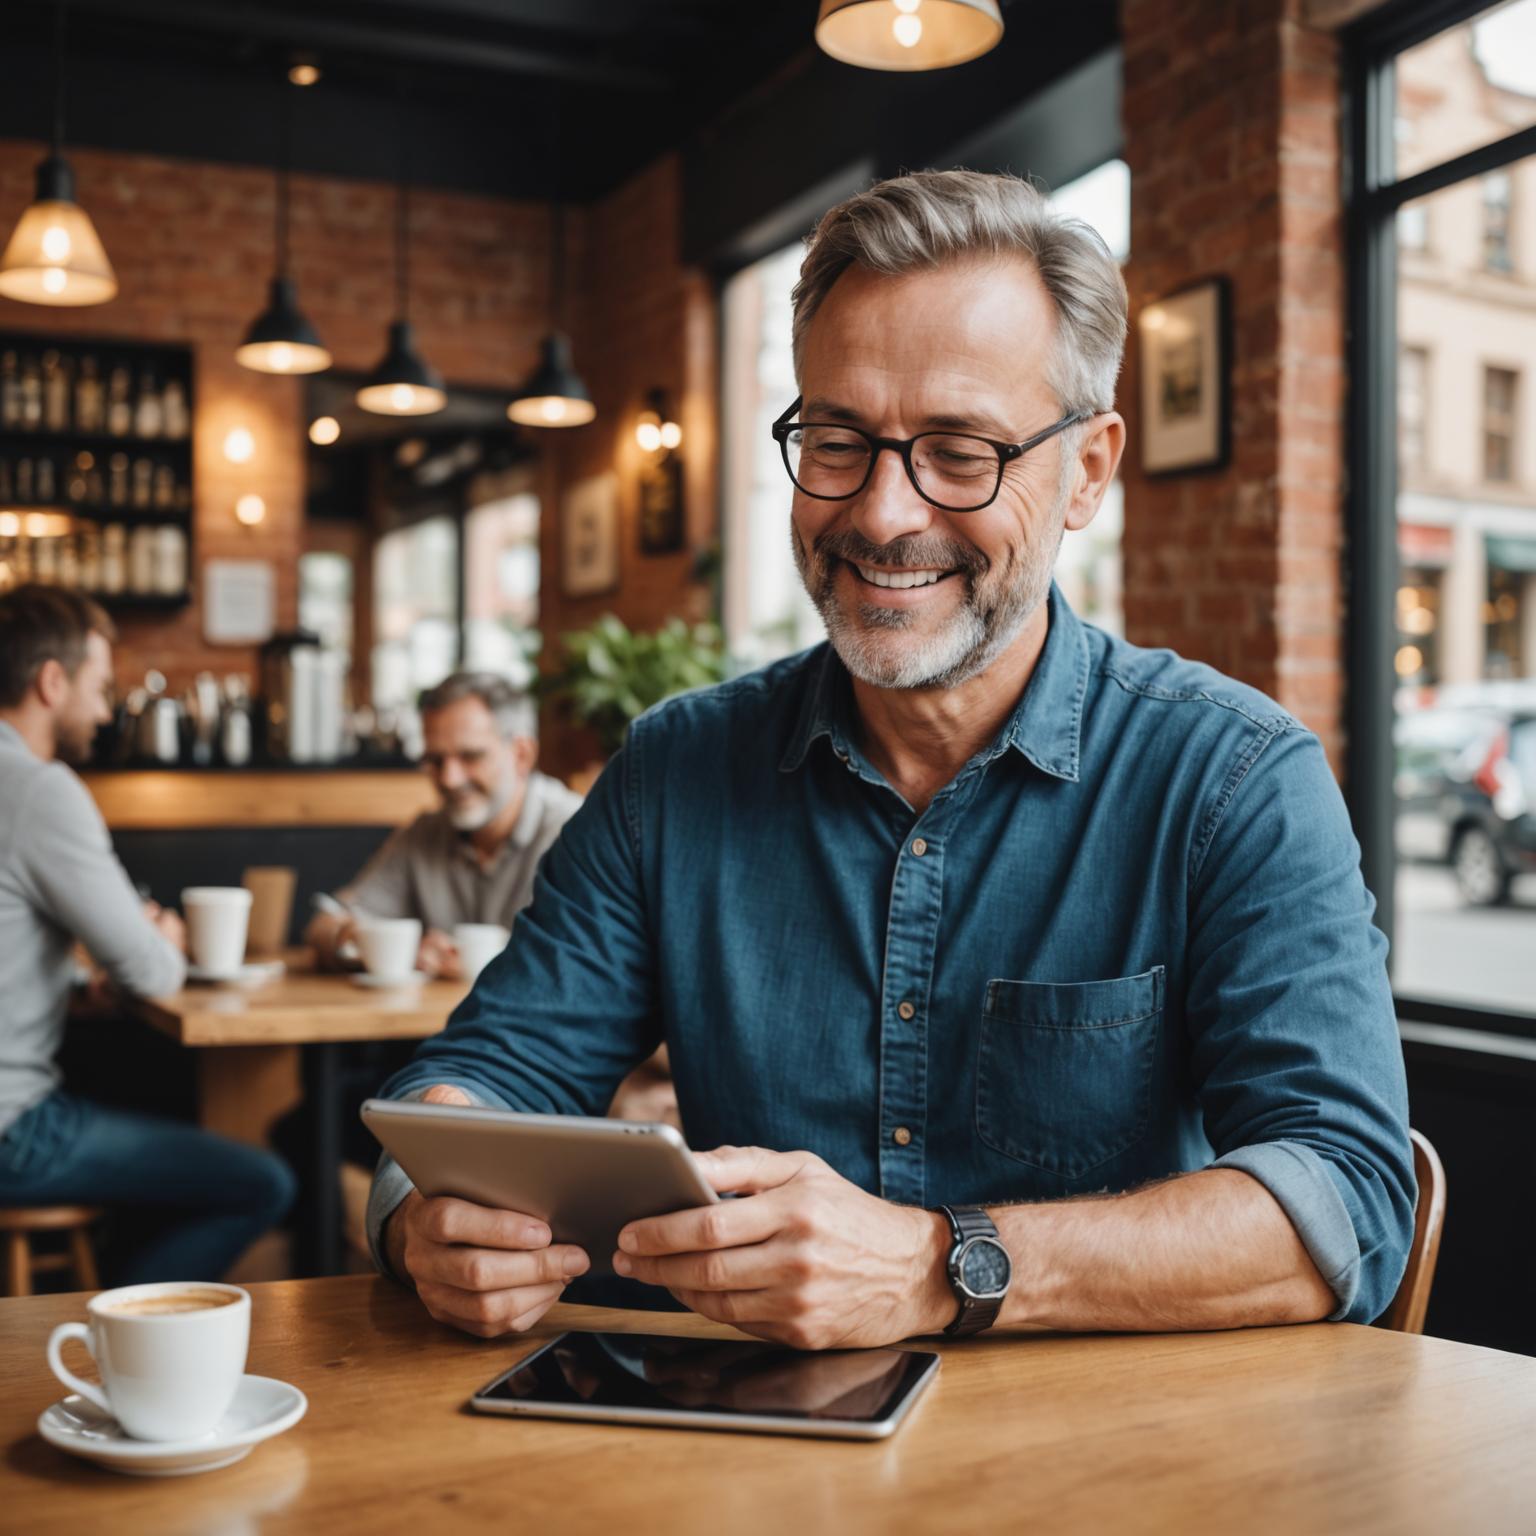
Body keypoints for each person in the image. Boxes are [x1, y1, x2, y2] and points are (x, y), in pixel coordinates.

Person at [366, 170, 1414, 1348]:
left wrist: (938, 1265)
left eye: (961, 451)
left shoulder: (1234, 779)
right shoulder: (673, 772)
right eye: (837, 438)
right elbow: (487, 1072)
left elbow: (1346, 1200)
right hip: (746, 1462)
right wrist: (429, 1221)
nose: (880, 512)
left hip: (1110, 1470)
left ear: (1089, 471)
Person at [0, 585, 295, 1283]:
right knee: (261, 1183)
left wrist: (72, 987)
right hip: (12, 1132)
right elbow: (154, 975)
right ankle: (113, 1338)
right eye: (100, 688)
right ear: (51, 681)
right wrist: (156, 932)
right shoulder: (39, 790)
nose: (105, 712)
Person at [306, 672, 581, 981]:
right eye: (435, 760)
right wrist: (368, 943)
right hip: (441, 1026)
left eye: (470, 757)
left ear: (522, 754)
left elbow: (587, 964)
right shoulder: (425, 833)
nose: (449, 779)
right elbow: (325, 924)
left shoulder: (576, 833)